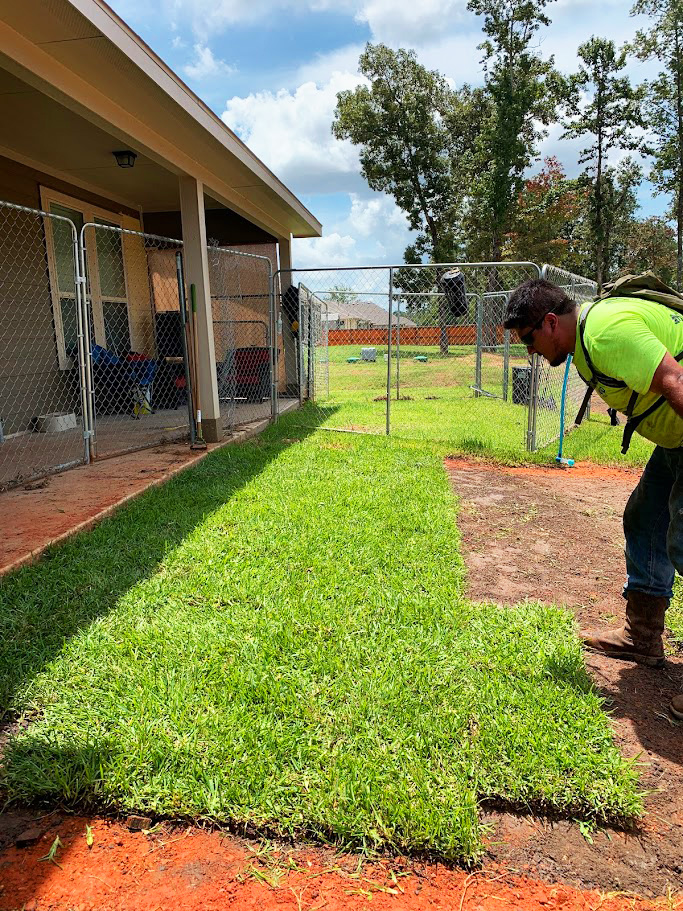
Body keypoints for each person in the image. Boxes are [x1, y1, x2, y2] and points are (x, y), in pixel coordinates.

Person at [504, 278, 683, 722]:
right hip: (675, 441)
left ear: (549, 323)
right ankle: (643, 638)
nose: (529, 352)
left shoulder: (604, 331)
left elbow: (676, 380)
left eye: (528, 339)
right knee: (645, 519)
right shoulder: (583, 340)